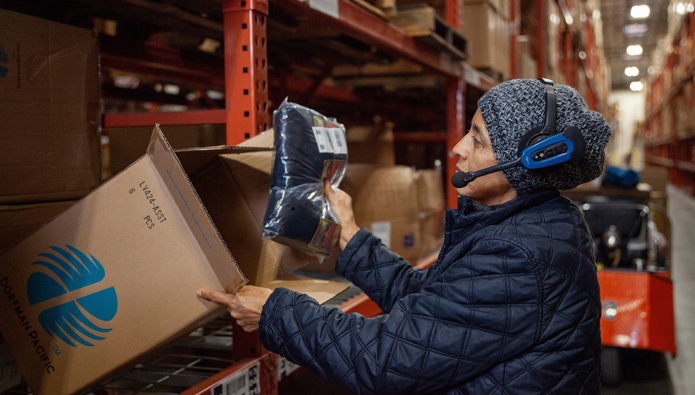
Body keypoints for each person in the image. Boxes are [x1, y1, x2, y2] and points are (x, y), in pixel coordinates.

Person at [197, 79, 611, 394]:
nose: (458, 148)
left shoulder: (518, 253)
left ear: (529, 162)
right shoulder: (531, 224)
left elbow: (387, 359)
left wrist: (274, 312)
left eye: (478, 139)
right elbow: (433, 308)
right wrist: (351, 238)